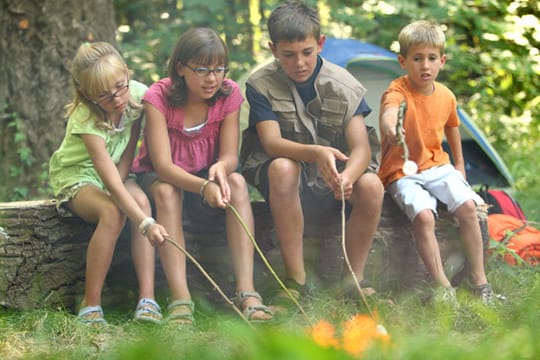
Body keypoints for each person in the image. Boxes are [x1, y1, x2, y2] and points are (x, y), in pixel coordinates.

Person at [240, 0, 384, 305]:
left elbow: (360, 147)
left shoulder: (345, 85)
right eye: (289, 55)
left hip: (332, 179)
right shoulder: (260, 84)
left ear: (320, 44)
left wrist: (348, 177)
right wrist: (317, 152)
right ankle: (296, 281)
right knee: (282, 167)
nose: (299, 63)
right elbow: (271, 143)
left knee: (371, 185)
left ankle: (353, 279)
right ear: (273, 49)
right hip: (286, 178)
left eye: (307, 52)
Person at [131, 27, 273, 323]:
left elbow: (230, 156)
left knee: (236, 182)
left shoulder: (229, 94)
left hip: (205, 173)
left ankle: (246, 291)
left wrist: (220, 169)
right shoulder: (158, 97)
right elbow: (162, 165)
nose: (212, 79)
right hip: (161, 175)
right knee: (166, 193)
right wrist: (203, 186)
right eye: (203, 70)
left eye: (219, 69)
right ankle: (181, 298)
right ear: (181, 68)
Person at [49, 42, 169, 325]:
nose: (116, 99)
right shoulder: (85, 118)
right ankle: (91, 306)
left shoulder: (138, 96)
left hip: (117, 171)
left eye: (120, 86)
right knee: (113, 212)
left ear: (127, 72)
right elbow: (110, 184)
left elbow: (129, 150)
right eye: (104, 96)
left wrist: (137, 203)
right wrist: (146, 224)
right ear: (87, 95)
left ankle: (147, 299)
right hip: (79, 175)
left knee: (141, 202)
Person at [378, 20, 495, 305]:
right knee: (425, 216)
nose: (425, 66)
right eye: (417, 59)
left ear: (442, 61)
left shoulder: (446, 95)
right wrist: (391, 129)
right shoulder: (398, 91)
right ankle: (444, 288)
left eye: (431, 58)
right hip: (402, 171)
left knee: (469, 207)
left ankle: (480, 280)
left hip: (438, 165)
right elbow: (388, 113)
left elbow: (453, 127)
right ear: (403, 61)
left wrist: (460, 164)